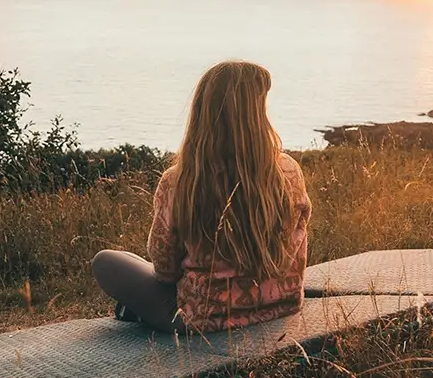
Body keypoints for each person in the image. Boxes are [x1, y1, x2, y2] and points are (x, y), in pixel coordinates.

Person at [91, 60, 312, 334]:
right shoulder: (288, 170)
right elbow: (299, 244)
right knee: (127, 259)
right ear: (258, 116)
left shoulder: (182, 180)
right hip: (282, 305)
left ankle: (140, 312)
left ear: (203, 114)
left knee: (107, 261)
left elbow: (165, 270)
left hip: (203, 319)